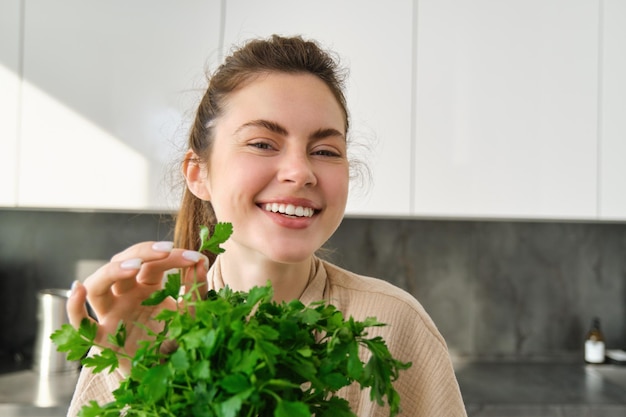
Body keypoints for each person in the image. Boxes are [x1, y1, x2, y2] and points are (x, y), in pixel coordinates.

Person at [65, 34, 467, 417]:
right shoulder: (143, 329)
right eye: (262, 144)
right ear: (198, 173)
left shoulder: (395, 325)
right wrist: (154, 377)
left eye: (325, 150)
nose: (300, 172)